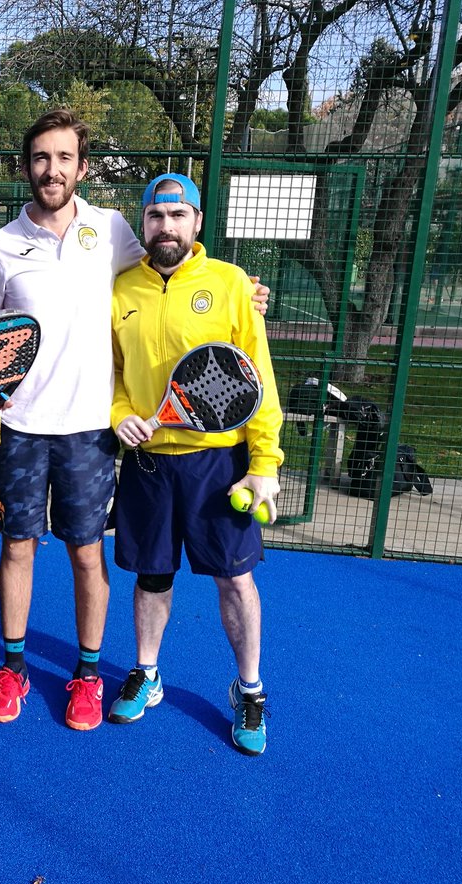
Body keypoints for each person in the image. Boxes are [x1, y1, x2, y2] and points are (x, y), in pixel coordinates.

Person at [0, 109, 270, 732]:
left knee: (89, 556)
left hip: (90, 433)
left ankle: (88, 675)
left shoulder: (110, 231)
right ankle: (13, 667)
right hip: (25, 428)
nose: (51, 170)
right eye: (40, 158)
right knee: (17, 548)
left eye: (63, 159)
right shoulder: (0, 247)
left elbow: (174, 265)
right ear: (26, 167)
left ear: (81, 168)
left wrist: (240, 288)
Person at [106, 173, 283, 756]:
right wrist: (119, 415)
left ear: (197, 222)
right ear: (144, 222)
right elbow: (108, 373)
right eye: (155, 216)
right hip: (149, 464)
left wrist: (264, 462)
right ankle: (148, 673)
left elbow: (257, 378)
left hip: (218, 464)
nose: (166, 226)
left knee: (235, 579)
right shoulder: (119, 288)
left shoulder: (231, 285)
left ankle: (250, 689)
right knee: (152, 576)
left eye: (177, 216)